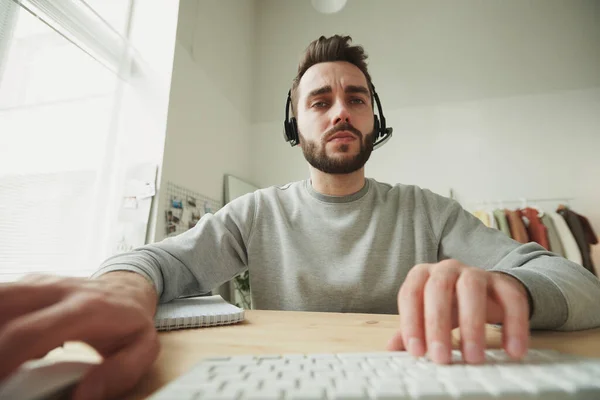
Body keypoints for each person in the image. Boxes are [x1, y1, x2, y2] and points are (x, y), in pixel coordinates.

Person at [2, 34, 600, 400]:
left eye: (356, 98)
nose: (340, 111)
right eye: (320, 101)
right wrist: (123, 287)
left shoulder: (429, 211)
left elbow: (581, 286)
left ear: (374, 119)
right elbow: (163, 259)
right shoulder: (256, 213)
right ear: (296, 126)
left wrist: (509, 287)